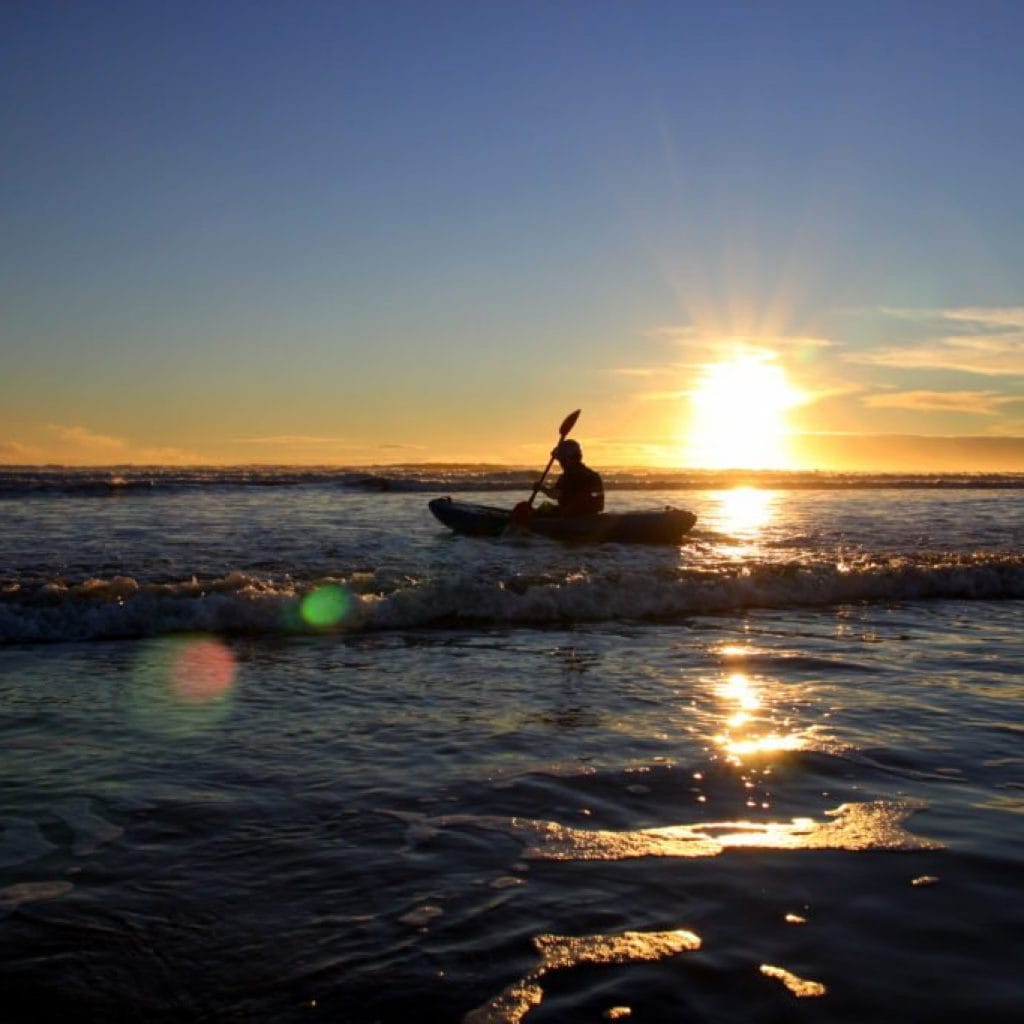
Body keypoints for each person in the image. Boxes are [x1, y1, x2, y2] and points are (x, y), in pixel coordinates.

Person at [536, 439, 604, 517]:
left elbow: (556, 494)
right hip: (590, 515)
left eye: (563, 460)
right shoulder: (592, 474)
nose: (561, 464)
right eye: (561, 461)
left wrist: (542, 488)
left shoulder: (570, 476)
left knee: (542, 509)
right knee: (545, 507)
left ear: (571, 459)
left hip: (572, 516)